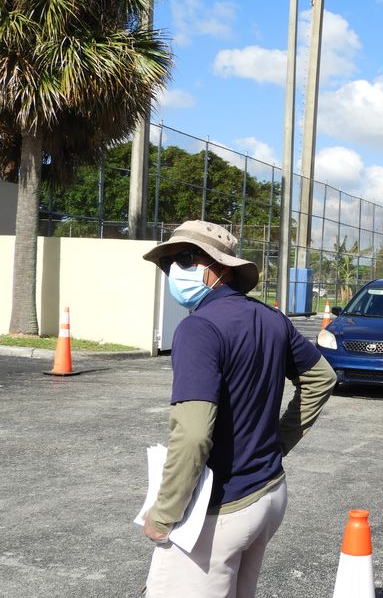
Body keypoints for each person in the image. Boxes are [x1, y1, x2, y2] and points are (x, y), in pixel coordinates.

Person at [140, 220, 336, 598]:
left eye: (185, 258)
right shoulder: (271, 318)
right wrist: (276, 444)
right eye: (169, 264)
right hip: (268, 495)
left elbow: (194, 434)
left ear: (221, 267)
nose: (175, 272)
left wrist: (163, 516)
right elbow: (322, 378)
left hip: (218, 512)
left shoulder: (198, 330)